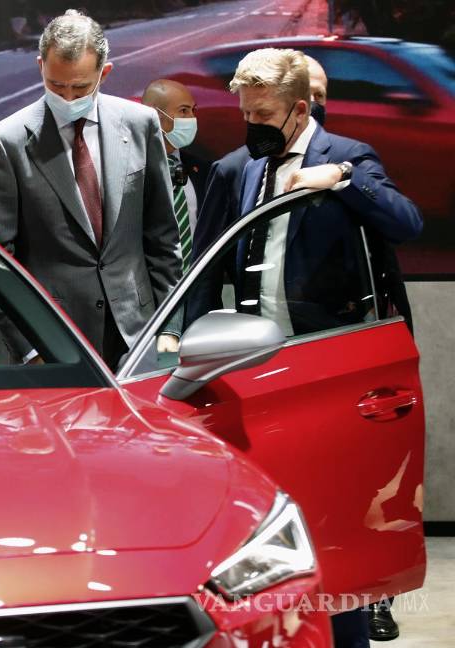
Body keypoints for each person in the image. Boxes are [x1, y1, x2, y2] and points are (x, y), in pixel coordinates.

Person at [228, 50, 422, 643]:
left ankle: (347, 633)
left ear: (300, 109)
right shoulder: (236, 168)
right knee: (262, 519)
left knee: (335, 515)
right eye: (246, 112)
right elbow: (206, 267)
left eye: (263, 114)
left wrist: (340, 182)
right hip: (251, 372)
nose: (252, 124)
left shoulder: (348, 158)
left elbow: (406, 223)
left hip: (328, 369)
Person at [0, 10, 180, 369]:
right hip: (54, 342)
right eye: (56, 85)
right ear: (41, 66)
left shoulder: (140, 124)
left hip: (140, 334)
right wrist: (29, 350)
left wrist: (169, 333)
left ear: (105, 72)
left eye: (81, 87)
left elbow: (162, 238)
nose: (68, 97)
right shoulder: (6, 142)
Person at [195, 55, 327, 255]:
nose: (312, 103)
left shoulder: (342, 160)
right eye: (307, 93)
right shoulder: (232, 169)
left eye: (319, 96)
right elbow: (207, 258)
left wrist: (342, 173)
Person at [141, 79, 208, 270]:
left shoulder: (204, 170)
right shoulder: (129, 169)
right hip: (149, 291)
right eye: (184, 111)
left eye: (193, 110)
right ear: (154, 115)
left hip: (196, 288)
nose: (192, 118)